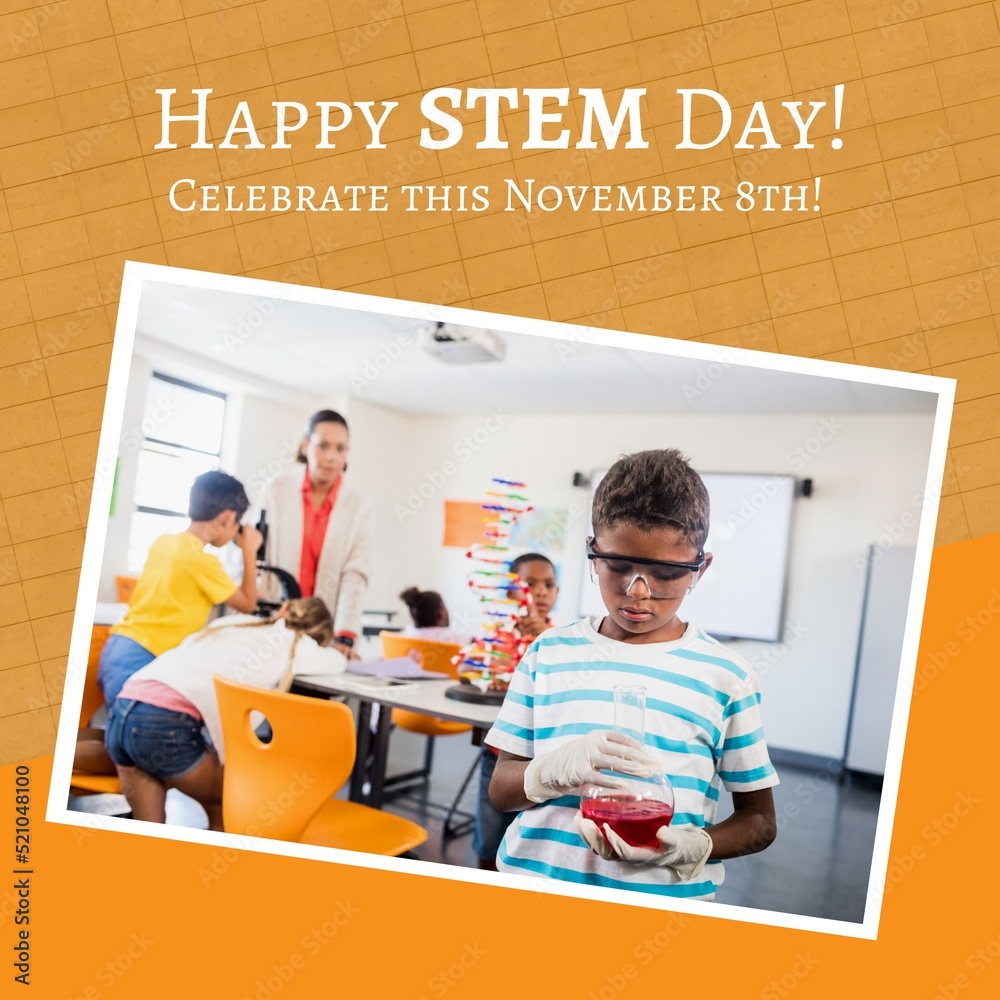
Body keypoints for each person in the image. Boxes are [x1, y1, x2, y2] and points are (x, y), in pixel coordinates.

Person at [486, 449, 778, 899]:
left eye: (665, 573)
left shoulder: (727, 676)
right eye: (618, 566)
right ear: (593, 553)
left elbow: (759, 822)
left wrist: (691, 847)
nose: (637, 593)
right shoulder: (548, 651)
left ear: (701, 567)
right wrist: (550, 772)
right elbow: (501, 792)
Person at [105, 598, 346, 831]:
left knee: (148, 827)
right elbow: (336, 663)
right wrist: (339, 649)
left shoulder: (235, 623)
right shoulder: (297, 643)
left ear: (285, 608)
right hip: (162, 724)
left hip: (125, 705)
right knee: (224, 805)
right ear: (317, 639)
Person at [98, 471, 261, 706]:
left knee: (113, 737)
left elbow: (183, 585)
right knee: (126, 737)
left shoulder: (164, 542)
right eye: (236, 526)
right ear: (227, 518)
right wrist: (249, 549)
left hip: (118, 647)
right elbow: (248, 604)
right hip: (144, 658)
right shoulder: (204, 562)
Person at [256, 409, 373, 657]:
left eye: (340, 448)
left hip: (325, 632)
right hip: (277, 623)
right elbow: (257, 555)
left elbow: (356, 572)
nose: (331, 456)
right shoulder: (276, 490)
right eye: (323, 446)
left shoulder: (358, 503)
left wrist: (345, 635)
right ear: (305, 445)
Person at [473, 552, 559, 871]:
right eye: (530, 583)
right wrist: (491, 675)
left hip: (545, 763)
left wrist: (539, 639)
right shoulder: (496, 634)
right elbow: (474, 671)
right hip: (499, 757)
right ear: (510, 591)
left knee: (534, 845)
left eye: (548, 585)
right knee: (489, 837)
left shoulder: (558, 640)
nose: (540, 592)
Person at [399, 587, 468, 644]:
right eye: (444, 607)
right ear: (440, 613)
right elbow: (473, 641)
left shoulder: (409, 633)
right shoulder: (450, 638)